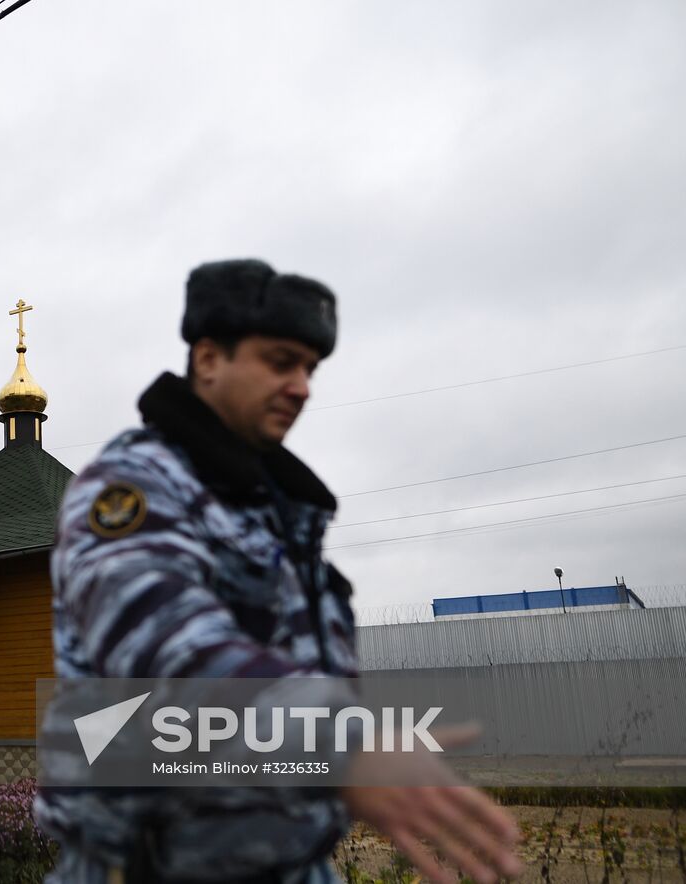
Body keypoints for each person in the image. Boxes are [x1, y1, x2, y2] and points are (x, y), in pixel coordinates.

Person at [34, 259, 522, 883]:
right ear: (209, 359)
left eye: (310, 369)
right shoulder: (134, 487)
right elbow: (167, 652)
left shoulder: (278, 516)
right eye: (281, 362)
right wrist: (342, 745)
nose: (302, 387)